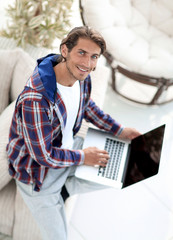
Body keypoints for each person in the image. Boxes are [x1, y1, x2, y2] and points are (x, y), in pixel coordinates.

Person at [6, 26, 141, 240]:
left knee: (131, 167)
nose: (87, 63)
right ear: (65, 50)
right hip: (38, 175)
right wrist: (83, 157)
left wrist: (119, 130)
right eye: (82, 53)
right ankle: (60, 190)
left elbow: (86, 106)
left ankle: (66, 187)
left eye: (94, 57)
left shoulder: (80, 74)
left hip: (68, 147)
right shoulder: (36, 100)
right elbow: (43, 156)